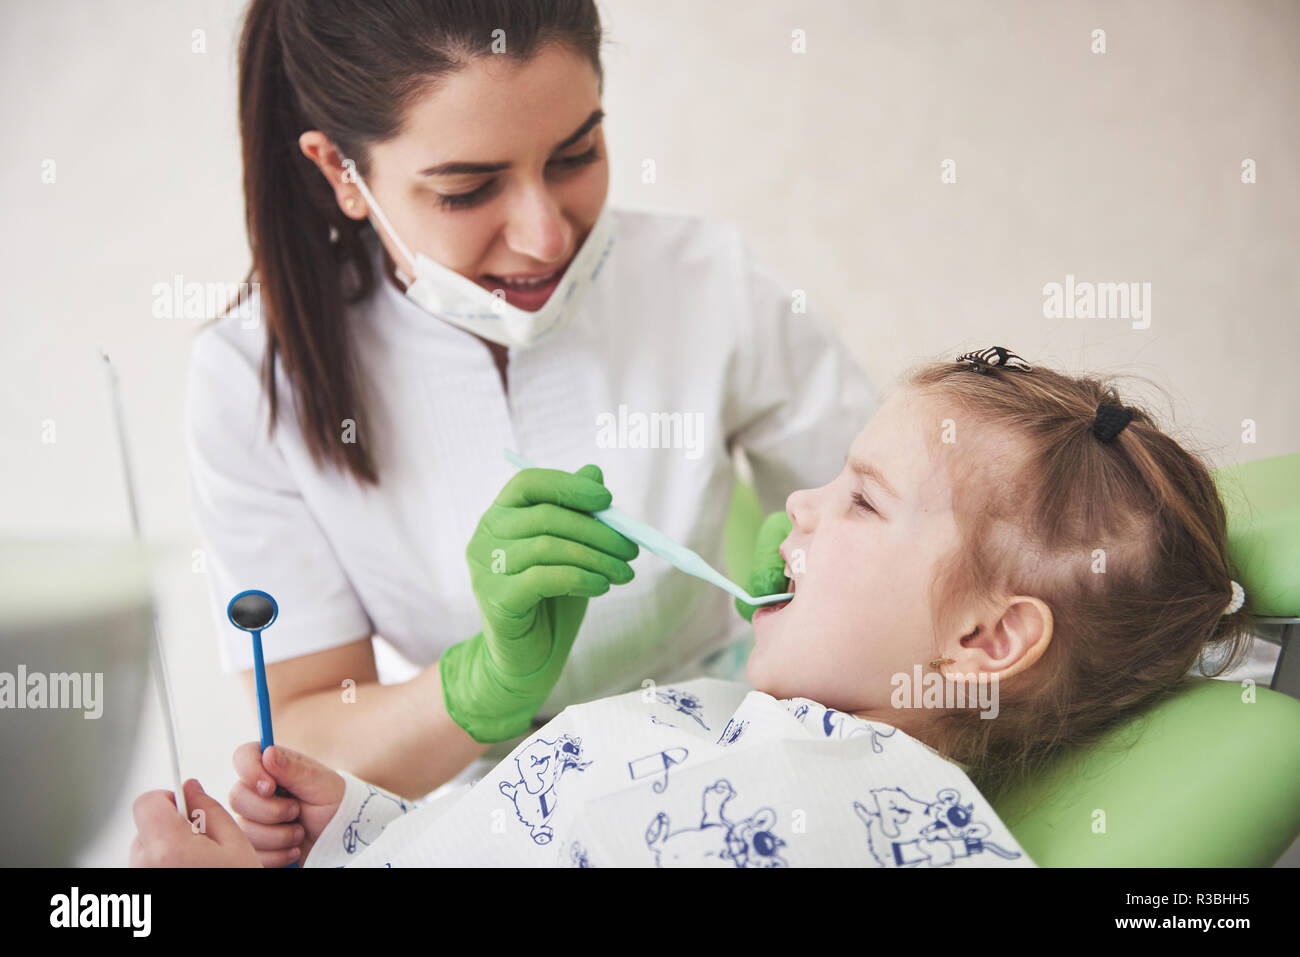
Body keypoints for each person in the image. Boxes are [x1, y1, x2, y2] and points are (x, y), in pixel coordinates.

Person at [133, 351, 1253, 866]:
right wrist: (355, 829)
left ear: (983, 641)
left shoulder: (854, 809)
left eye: (860, 499)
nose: (799, 508)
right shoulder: (742, 734)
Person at [188, 0, 877, 801]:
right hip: (477, 808)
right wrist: (479, 687)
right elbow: (306, 729)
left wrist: (819, 582)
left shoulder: (707, 280)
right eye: (468, 188)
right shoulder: (252, 380)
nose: (546, 235)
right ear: (342, 170)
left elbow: (904, 524)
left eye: (575, 154)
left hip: (728, 754)